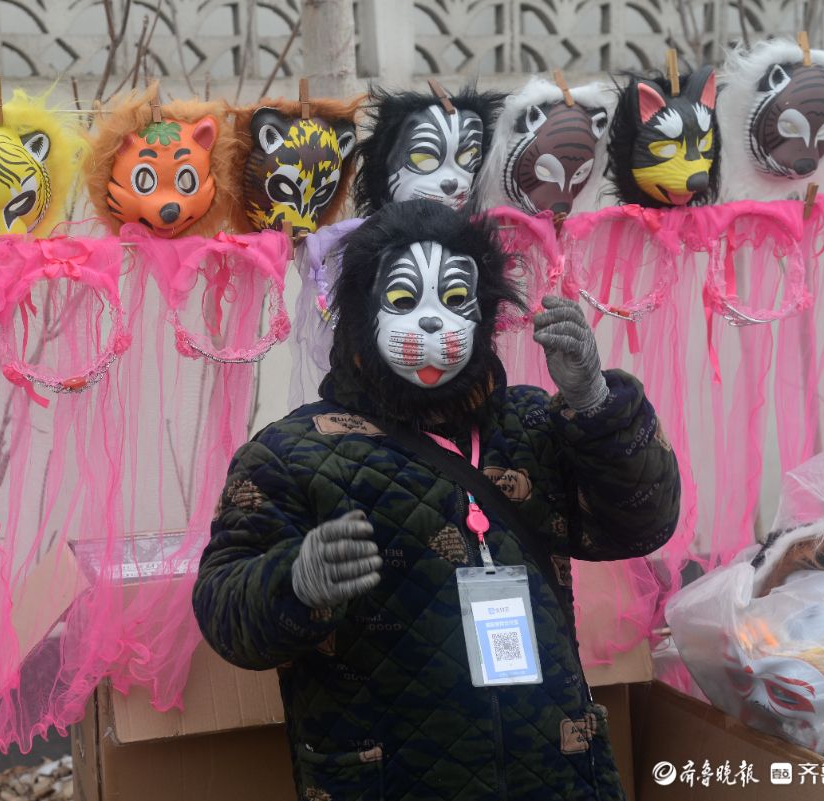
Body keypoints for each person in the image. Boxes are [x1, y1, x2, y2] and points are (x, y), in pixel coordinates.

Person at [193, 200, 681, 800]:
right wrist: (296, 583)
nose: (431, 323)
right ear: (359, 313)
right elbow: (225, 613)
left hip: (556, 774)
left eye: (454, 300)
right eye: (403, 300)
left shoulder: (532, 424)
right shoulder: (292, 453)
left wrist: (596, 403)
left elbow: (640, 524)